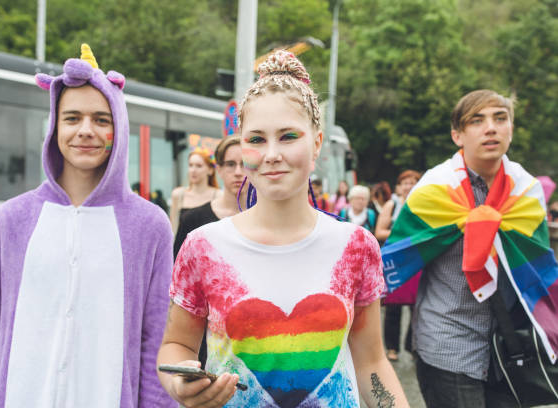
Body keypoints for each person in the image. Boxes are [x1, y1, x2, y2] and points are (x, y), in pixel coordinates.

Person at [157, 50, 409, 408]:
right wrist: (179, 383)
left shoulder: (355, 246)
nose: (272, 153)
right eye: (257, 139)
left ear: (317, 143)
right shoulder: (203, 246)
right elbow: (177, 345)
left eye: (288, 136)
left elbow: (371, 362)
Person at [0, 45, 175, 407]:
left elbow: (156, 343)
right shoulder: (11, 220)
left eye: (101, 120)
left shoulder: (150, 226)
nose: (85, 130)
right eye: (72, 118)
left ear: (118, 129)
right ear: (54, 127)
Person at [381, 89, 558, 407]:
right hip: (448, 344)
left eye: (500, 118)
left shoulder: (527, 192)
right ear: (457, 135)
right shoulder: (434, 189)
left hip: (510, 348)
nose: (490, 128)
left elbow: (541, 271)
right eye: (477, 121)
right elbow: (394, 259)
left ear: (511, 128)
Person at [374, 170, 421, 362]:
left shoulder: (423, 204)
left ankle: (412, 345)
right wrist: (404, 234)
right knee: (393, 306)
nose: (408, 186)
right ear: (398, 187)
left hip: (417, 258)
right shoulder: (391, 205)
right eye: (405, 183)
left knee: (418, 305)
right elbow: (379, 231)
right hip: (395, 259)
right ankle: (392, 347)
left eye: (412, 182)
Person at [173, 135, 244, 258]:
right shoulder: (190, 219)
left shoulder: (268, 219)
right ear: (219, 169)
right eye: (230, 164)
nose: (238, 172)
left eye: (244, 164)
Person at [169, 147, 221, 233]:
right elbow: (173, 229)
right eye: (190, 165)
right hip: (181, 245)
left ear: (210, 170)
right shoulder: (178, 194)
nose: (193, 170)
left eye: (199, 166)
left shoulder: (218, 195)